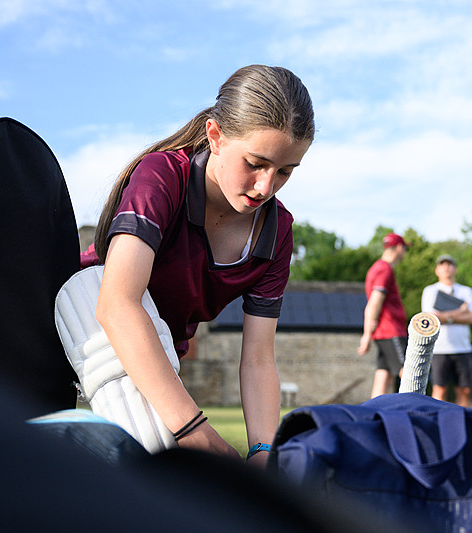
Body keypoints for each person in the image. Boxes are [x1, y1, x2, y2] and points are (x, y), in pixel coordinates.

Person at [81, 65, 315, 467]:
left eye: (285, 172)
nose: (266, 186)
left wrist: (263, 451)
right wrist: (194, 431)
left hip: (154, 370)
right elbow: (116, 305)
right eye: (256, 162)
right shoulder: (162, 177)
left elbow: (258, 357)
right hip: (77, 339)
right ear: (216, 137)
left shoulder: (277, 232)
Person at [420, 254, 472, 406]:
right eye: (442, 264)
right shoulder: (430, 291)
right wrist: (460, 312)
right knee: (440, 390)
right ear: (437, 270)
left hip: (463, 348)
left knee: (465, 391)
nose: (446, 267)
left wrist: (446, 316)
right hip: (439, 350)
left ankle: (463, 425)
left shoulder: (466, 291)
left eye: (449, 264)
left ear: (455, 269)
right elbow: (431, 319)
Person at [358, 233, 410, 398]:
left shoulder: (376, 268)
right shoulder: (385, 269)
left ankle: (372, 417)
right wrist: (366, 335)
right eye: (405, 249)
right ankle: (417, 413)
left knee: (383, 376)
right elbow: (374, 304)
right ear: (400, 248)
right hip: (391, 331)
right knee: (409, 374)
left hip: (383, 333)